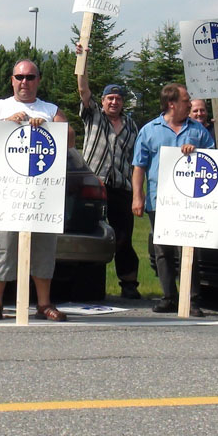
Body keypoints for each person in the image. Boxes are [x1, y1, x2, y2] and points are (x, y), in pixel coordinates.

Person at [0, 59, 74, 322]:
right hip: (9, 194)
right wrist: (5, 122)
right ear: (12, 80)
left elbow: (71, 139)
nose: (24, 82)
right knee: (3, 247)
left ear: (38, 80)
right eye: (19, 77)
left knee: (43, 249)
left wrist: (51, 127)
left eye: (30, 77)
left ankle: (43, 304)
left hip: (42, 195)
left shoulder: (50, 110)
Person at [132, 83, 214, 316]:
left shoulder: (198, 131)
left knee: (188, 250)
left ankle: (192, 299)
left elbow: (213, 159)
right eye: (186, 100)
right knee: (163, 251)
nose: (190, 104)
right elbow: (139, 166)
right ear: (171, 104)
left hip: (190, 201)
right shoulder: (149, 130)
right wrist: (137, 196)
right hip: (159, 200)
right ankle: (169, 297)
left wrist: (197, 153)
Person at [75, 44, 141, 299]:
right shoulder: (94, 116)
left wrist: (137, 193)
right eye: (110, 98)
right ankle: (87, 284)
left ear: (123, 102)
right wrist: (83, 60)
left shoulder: (132, 126)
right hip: (93, 186)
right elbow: (83, 89)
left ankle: (129, 283)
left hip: (121, 188)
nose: (114, 102)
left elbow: (136, 160)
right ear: (102, 101)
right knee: (90, 234)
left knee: (123, 238)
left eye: (118, 99)